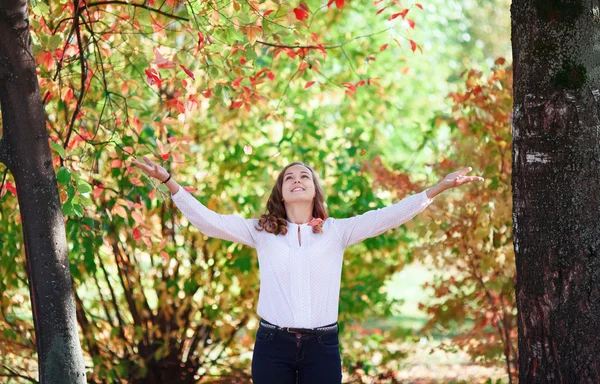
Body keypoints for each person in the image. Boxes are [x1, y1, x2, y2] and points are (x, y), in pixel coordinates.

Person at [132, 156, 484, 384]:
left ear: (315, 190)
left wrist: (439, 187)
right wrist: (169, 182)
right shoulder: (262, 231)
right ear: (281, 194)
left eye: (305, 176)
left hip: (322, 346)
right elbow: (207, 221)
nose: (297, 179)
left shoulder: (336, 232)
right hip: (273, 345)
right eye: (289, 177)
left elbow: (388, 216)